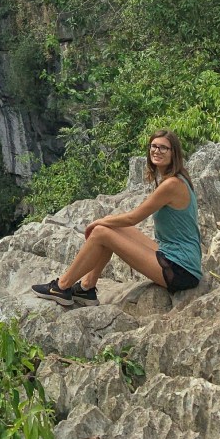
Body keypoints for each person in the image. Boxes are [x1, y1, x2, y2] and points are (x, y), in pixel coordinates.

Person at [32, 129, 202, 307]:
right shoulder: (175, 178)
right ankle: (86, 287)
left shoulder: (172, 184)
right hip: (175, 256)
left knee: (100, 232)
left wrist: (96, 223)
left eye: (163, 148)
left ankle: (62, 286)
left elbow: (133, 218)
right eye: (154, 146)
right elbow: (124, 222)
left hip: (180, 270)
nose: (157, 151)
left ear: (173, 153)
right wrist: (106, 220)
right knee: (112, 225)